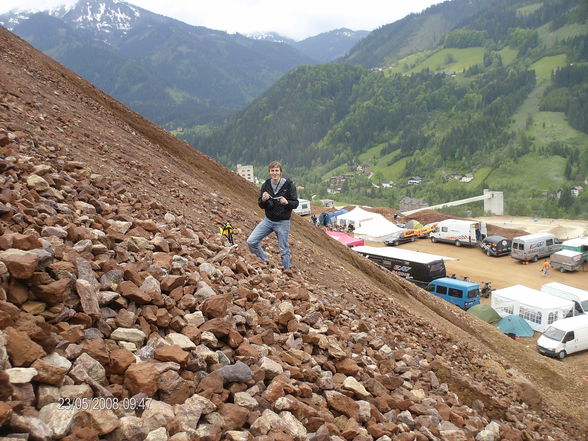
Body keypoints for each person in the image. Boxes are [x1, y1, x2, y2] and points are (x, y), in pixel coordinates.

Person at [247, 161, 299, 270]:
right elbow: (261, 205)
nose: (274, 173)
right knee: (251, 241)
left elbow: (295, 203)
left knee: (284, 249)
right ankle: (265, 261)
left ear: (280, 172)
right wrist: (263, 199)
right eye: (272, 171)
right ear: (269, 172)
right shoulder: (266, 185)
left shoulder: (289, 185)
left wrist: (287, 202)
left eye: (276, 170)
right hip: (268, 220)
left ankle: (287, 271)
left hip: (283, 222)